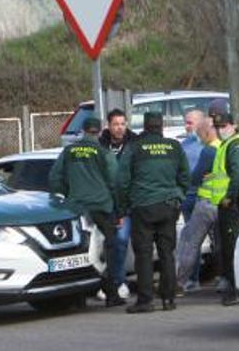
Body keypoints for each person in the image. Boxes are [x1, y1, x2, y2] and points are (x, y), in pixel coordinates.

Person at [48, 116, 125, 307]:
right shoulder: (103, 152)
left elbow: (55, 178)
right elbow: (115, 183)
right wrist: (119, 210)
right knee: (110, 250)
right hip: (102, 207)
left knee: (77, 250)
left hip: (77, 209)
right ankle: (112, 293)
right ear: (99, 132)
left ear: (82, 131)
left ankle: (78, 294)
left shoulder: (68, 151)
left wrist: (68, 196)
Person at [117, 112, 189, 313]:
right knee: (167, 253)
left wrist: (123, 207)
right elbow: (185, 175)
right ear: (162, 126)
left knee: (144, 255)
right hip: (168, 206)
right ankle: (169, 299)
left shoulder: (134, 148)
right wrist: (179, 196)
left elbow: (122, 181)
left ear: (145, 127)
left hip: (143, 207)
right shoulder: (174, 147)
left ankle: (145, 300)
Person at [204, 98, 239, 306]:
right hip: (228, 203)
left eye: (223, 126)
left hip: (234, 203)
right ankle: (232, 288)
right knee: (227, 247)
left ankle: (234, 291)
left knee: (233, 247)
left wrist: (229, 198)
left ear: (232, 125)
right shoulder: (227, 144)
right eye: (217, 127)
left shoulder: (236, 145)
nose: (220, 129)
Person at [175, 114, 219, 296]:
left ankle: (180, 282)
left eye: (201, 133)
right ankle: (226, 280)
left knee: (190, 241)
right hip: (223, 203)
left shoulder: (208, 150)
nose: (199, 137)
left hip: (206, 202)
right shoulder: (227, 146)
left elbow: (195, 177)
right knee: (221, 243)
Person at [97, 108, 136, 301]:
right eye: (116, 124)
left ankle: (118, 282)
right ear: (108, 126)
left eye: (122, 124)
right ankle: (113, 282)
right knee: (112, 244)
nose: (120, 128)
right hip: (106, 204)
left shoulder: (134, 144)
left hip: (129, 204)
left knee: (121, 241)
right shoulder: (100, 146)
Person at [178, 109, 208, 291]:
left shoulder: (209, 145)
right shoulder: (182, 146)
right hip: (188, 198)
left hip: (207, 198)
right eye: (186, 122)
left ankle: (224, 277)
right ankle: (192, 279)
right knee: (192, 241)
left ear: (201, 123)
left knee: (218, 240)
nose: (187, 126)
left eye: (190, 122)